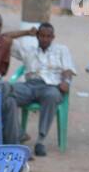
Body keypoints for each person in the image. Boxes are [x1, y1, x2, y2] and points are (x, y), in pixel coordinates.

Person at [5, 22, 73, 157]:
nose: (45, 39)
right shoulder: (28, 50)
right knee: (6, 92)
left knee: (52, 96)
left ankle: (40, 141)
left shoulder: (61, 49)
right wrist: (25, 33)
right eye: (42, 36)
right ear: (37, 36)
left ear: (53, 37)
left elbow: (68, 69)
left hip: (51, 86)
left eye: (48, 36)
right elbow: (4, 38)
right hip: (29, 86)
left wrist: (66, 81)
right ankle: (16, 134)